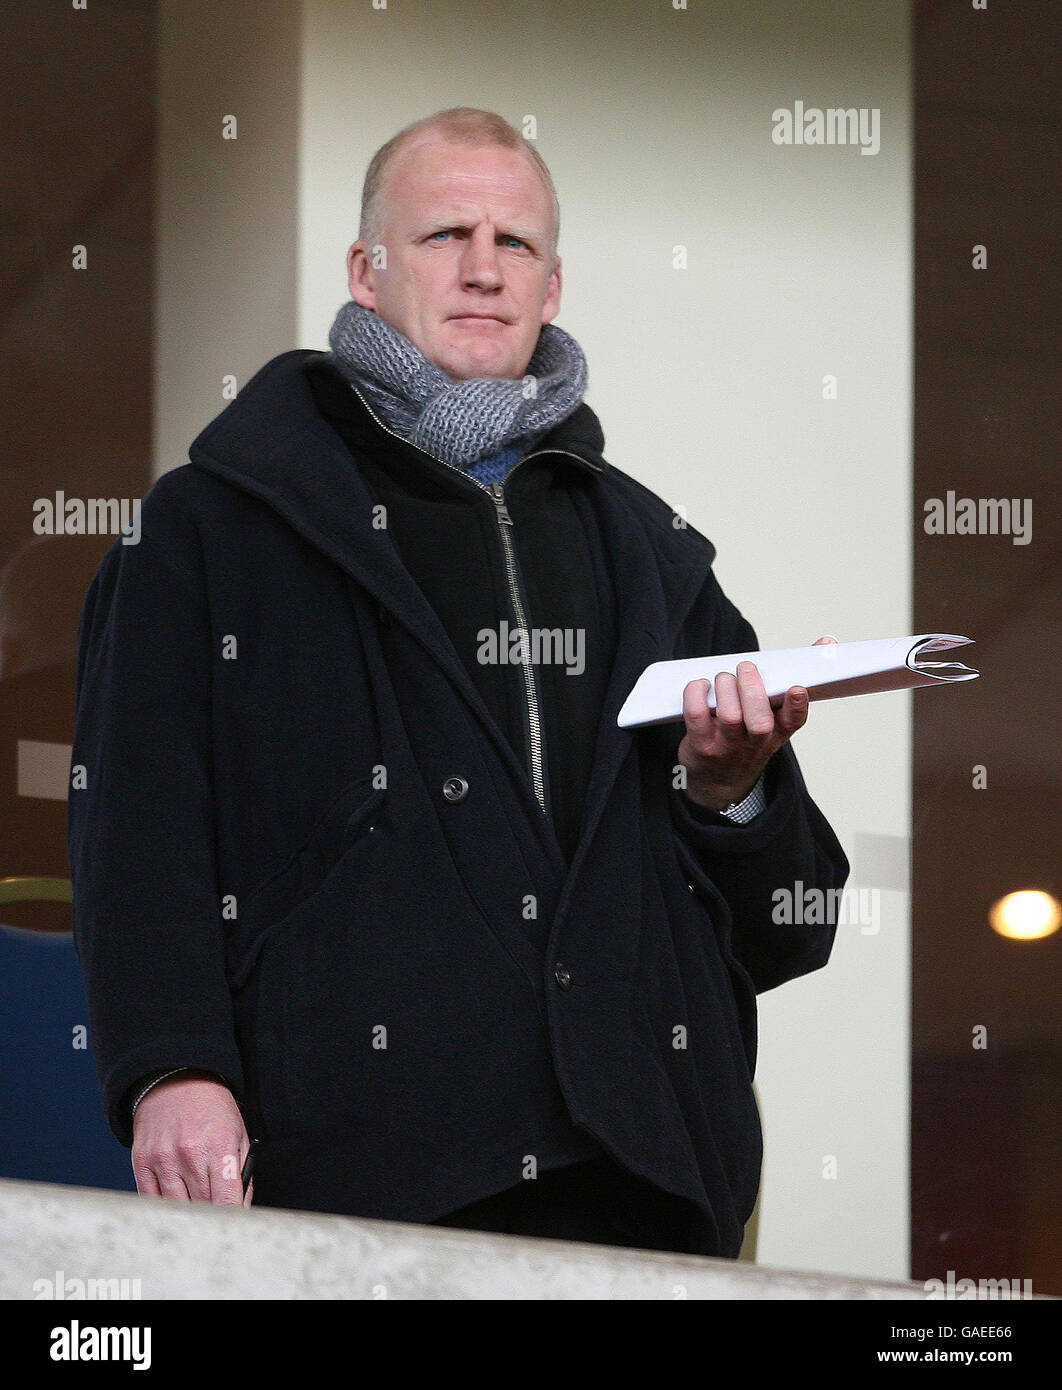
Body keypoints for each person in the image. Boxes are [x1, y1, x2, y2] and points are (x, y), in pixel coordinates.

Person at [68, 107, 849, 1259]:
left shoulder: (649, 552)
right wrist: (172, 1069)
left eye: (516, 242)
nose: (484, 267)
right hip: (348, 1178)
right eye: (443, 234)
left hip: (644, 1189)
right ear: (365, 272)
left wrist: (727, 791)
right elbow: (141, 832)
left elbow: (797, 922)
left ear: (554, 282)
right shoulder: (210, 528)